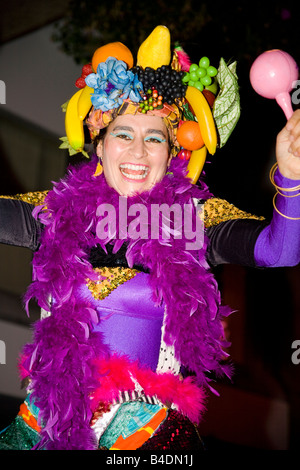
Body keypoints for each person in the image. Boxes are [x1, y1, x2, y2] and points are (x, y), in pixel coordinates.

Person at [0, 26, 300, 451]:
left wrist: (292, 175)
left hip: (144, 435)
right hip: (43, 427)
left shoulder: (196, 220)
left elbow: (280, 251)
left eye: (154, 138)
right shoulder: (52, 212)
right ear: (99, 146)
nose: (138, 152)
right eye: (123, 134)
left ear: (172, 152)